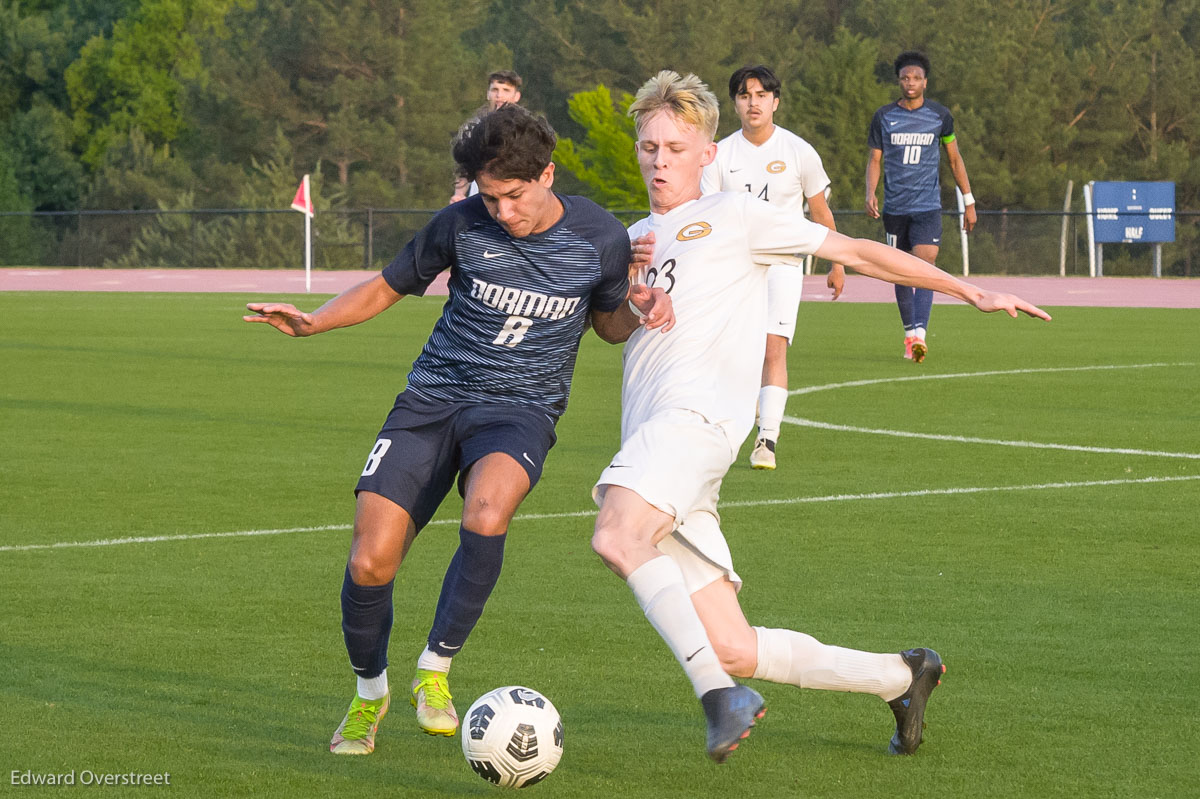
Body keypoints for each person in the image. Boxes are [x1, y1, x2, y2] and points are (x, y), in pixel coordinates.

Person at [590, 70, 1049, 763]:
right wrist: (632, 296)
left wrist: (965, 288)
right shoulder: (634, 239)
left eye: (676, 148)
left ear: (706, 153)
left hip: (694, 426)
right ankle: (901, 674)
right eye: (649, 146)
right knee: (734, 645)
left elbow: (856, 251)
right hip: (669, 452)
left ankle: (716, 695)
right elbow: (614, 331)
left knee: (619, 532)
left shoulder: (737, 216)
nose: (659, 160)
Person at [245, 104, 672, 756]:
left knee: (487, 510)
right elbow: (386, 288)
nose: (500, 210)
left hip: (519, 410)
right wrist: (313, 321)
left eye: (513, 196)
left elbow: (607, 322)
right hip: (431, 401)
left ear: (547, 174)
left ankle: (435, 670)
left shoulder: (600, 236)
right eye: (488, 196)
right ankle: (369, 694)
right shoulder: (459, 224)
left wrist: (637, 311)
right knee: (368, 559)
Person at [701, 64, 845, 471]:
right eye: (745, 96)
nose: (753, 103)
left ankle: (767, 439)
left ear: (775, 101)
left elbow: (820, 213)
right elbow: (709, 216)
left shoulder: (799, 151)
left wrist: (836, 264)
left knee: (772, 346)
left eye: (761, 95)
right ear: (734, 104)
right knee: (727, 349)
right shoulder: (720, 153)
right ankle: (720, 431)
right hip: (733, 267)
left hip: (783, 263)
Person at [865, 51, 976, 363]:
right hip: (895, 209)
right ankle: (909, 334)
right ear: (898, 81)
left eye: (915, 78)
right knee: (900, 271)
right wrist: (870, 192)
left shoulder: (940, 117)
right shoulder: (884, 117)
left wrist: (968, 200)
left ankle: (921, 336)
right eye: (905, 78)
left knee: (926, 267)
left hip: (927, 206)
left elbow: (954, 158)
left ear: (925, 82)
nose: (910, 82)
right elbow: (875, 158)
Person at [450, 70, 524, 204]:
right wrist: (459, 195)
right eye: (495, 89)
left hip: (515, 201)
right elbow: (465, 166)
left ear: (516, 96)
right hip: (480, 199)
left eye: (506, 90)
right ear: (488, 93)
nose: (499, 95)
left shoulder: (524, 129)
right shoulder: (474, 127)